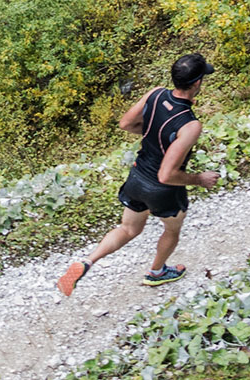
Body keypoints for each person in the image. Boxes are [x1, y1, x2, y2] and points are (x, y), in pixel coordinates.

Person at [57, 53, 221, 296]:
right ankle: (156, 272)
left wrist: (156, 133)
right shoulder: (190, 124)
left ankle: (87, 262)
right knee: (172, 230)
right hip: (162, 190)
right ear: (197, 83)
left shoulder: (155, 93)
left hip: (137, 178)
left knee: (128, 229)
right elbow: (167, 174)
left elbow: (126, 124)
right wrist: (199, 179)